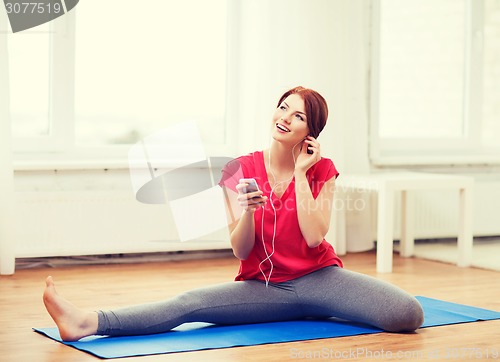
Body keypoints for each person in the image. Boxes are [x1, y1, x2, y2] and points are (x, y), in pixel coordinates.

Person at [43, 86, 424, 342]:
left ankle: (322, 309)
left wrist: (302, 173)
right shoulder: (237, 170)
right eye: (283, 108)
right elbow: (241, 252)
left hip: (319, 279)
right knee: (188, 304)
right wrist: (248, 213)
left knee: (407, 313)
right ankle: (86, 322)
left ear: (311, 133)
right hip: (264, 288)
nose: (286, 118)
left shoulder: (322, 171)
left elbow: (313, 236)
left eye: (299, 117)